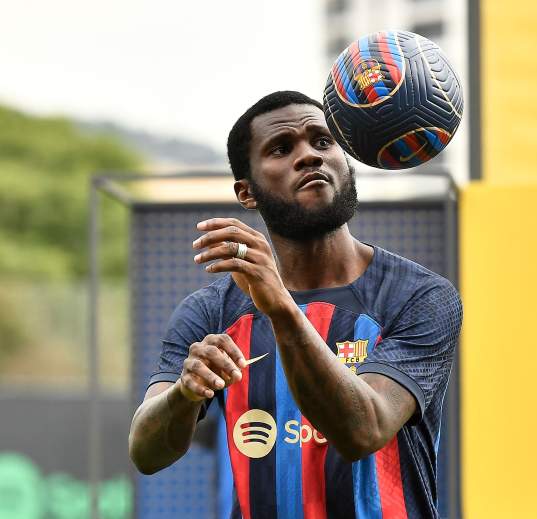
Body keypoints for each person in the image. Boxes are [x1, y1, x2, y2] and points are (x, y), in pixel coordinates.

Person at [128, 90, 463, 519]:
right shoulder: (209, 314)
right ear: (246, 193)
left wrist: (281, 308)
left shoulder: (419, 297)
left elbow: (364, 430)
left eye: (322, 141)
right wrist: (183, 394)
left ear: (346, 162)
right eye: (281, 149)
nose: (309, 156)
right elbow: (146, 453)